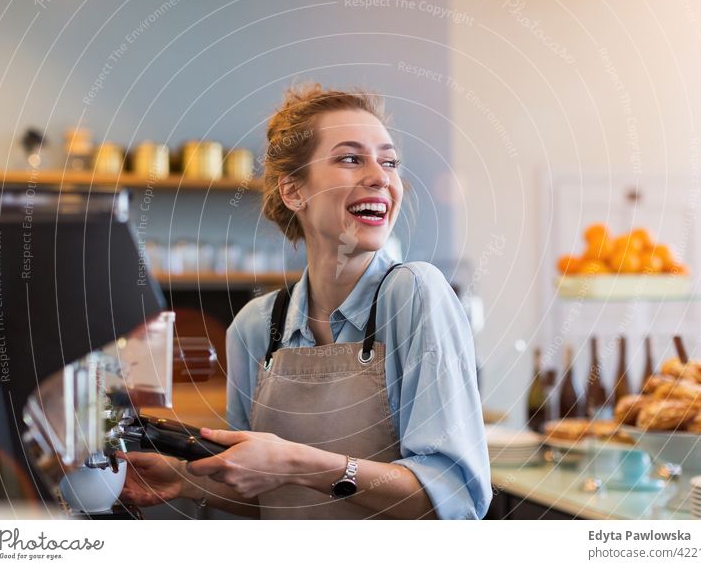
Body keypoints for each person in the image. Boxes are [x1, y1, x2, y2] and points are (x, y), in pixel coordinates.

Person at [120, 84, 491, 519]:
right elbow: (261, 491)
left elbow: (453, 497)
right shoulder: (255, 326)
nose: (381, 177)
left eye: (389, 161)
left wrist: (294, 464)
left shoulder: (415, 293)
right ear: (294, 192)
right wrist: (181, 479)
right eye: (351, 158)